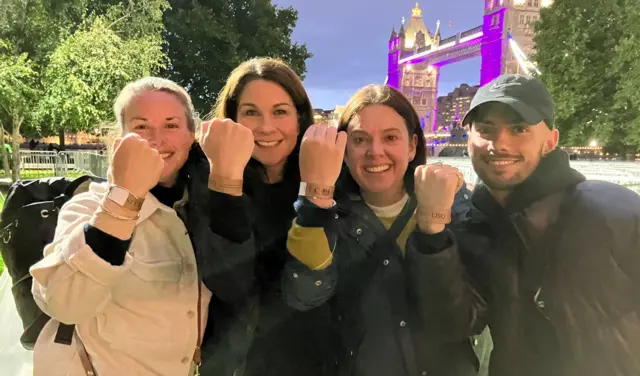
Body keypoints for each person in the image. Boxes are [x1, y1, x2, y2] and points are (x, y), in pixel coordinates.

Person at [405, 74, 640, 376]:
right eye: (485, 129)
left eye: (519, 129)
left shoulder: (614, 213)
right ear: (469, 140)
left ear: (551, 141)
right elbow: (457, 322)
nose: (498, 143)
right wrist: (432, 230)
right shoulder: (472, 225)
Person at [29, 76, 256, 375]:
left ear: (192, 135)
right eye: (140, 127)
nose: (156, 138)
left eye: (171, 125)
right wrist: (123, 203)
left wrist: (227, 181)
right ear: (119, 139)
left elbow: (236, 285)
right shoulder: (91, 205)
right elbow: (63, 303)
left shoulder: (201, 208)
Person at [282, 84, 483, 375]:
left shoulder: (455, 203)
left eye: (390, 137)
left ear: (413, 145)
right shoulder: (327, 214)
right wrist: (315, 202)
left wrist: (434, 231)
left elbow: (464, 321)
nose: (375, 152)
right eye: (360, 139)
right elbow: (303, 295)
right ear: (344, 151)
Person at [199, 57, 336, 376]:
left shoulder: (330, 182)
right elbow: (229, 284)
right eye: (250, 112)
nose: (265, 127)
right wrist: (226, 182)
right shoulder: (205, 180)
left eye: (280, 111)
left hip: (310, 360)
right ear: (231, 120)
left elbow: (310, 292)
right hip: (234, 364)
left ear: (300, 119)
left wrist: (317, 197)